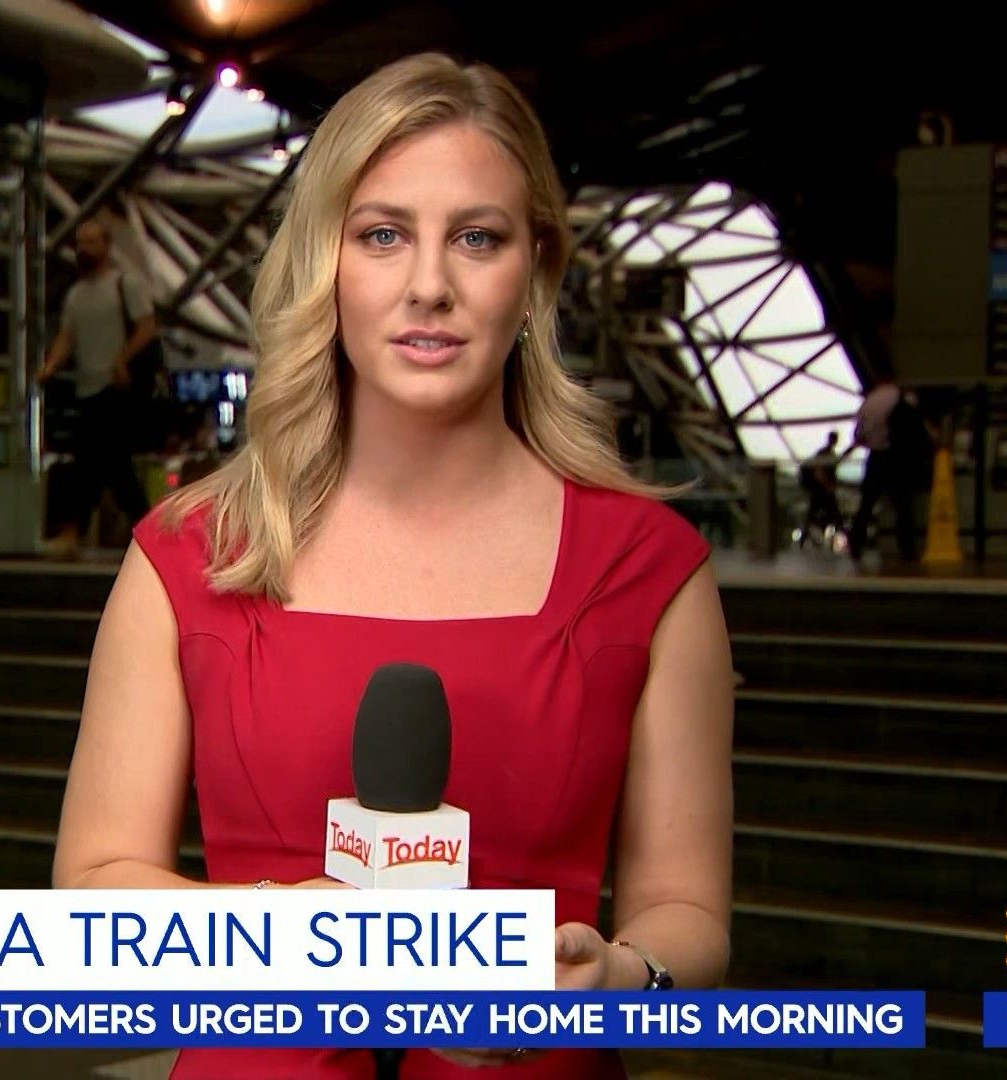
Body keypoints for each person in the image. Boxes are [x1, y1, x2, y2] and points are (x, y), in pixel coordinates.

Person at [52, 53, 734, 1079]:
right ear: (326, 263)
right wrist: (272, 933)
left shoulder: (648, 571)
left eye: (477, 237)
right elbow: (91, 897)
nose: (429, 286)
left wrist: (623, 978)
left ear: (535, 270)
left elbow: (687, 910)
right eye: (382, 234)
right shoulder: (188, 558)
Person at [36, 218, 159, 555]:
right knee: (111, 467)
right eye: (80, 242)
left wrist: (122, 358)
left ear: (106, 245)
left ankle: (74, 531)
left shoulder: (124, 284)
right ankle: (148, 534)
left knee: (94, 462)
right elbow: (67, 337)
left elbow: (147, 327)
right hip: (87, 388)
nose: (84, 249)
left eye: (91, 242)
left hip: (116, 389)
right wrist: (49, 367)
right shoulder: (76, 295)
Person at [846, 376, 931, 562]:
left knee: (866, 505)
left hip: (875, 458)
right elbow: (913, 427)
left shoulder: (868, 402)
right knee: (903, 506)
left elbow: (859, 435)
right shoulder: (900, 397)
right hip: (896, 458)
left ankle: (855, 544)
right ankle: (907, 549)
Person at [798, 431, 842, 546]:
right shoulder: (826, 453)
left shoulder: (825, 452)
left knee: (813, 514)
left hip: (820, 489)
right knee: (835, 514)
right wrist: (827, 486)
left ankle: (803, 539)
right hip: (822, 489)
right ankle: (847, 540)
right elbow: (819, 471)